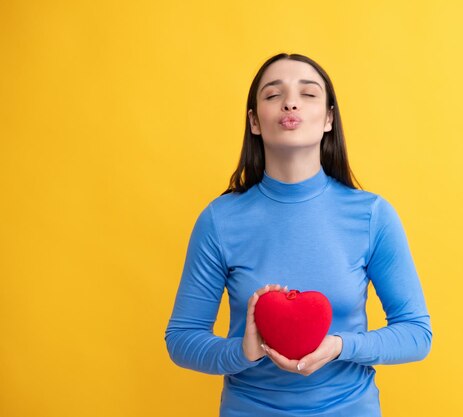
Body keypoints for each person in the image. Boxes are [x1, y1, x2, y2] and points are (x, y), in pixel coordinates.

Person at [164, 52, 433, 416]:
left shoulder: (372, 215)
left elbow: (417, 334)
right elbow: (181, 339)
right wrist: (241, 352)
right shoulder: (219, 220)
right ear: (254, 122)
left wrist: (340, 345)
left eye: (308, 94)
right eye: (273, 95)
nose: (290, 102)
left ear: (328, 119)